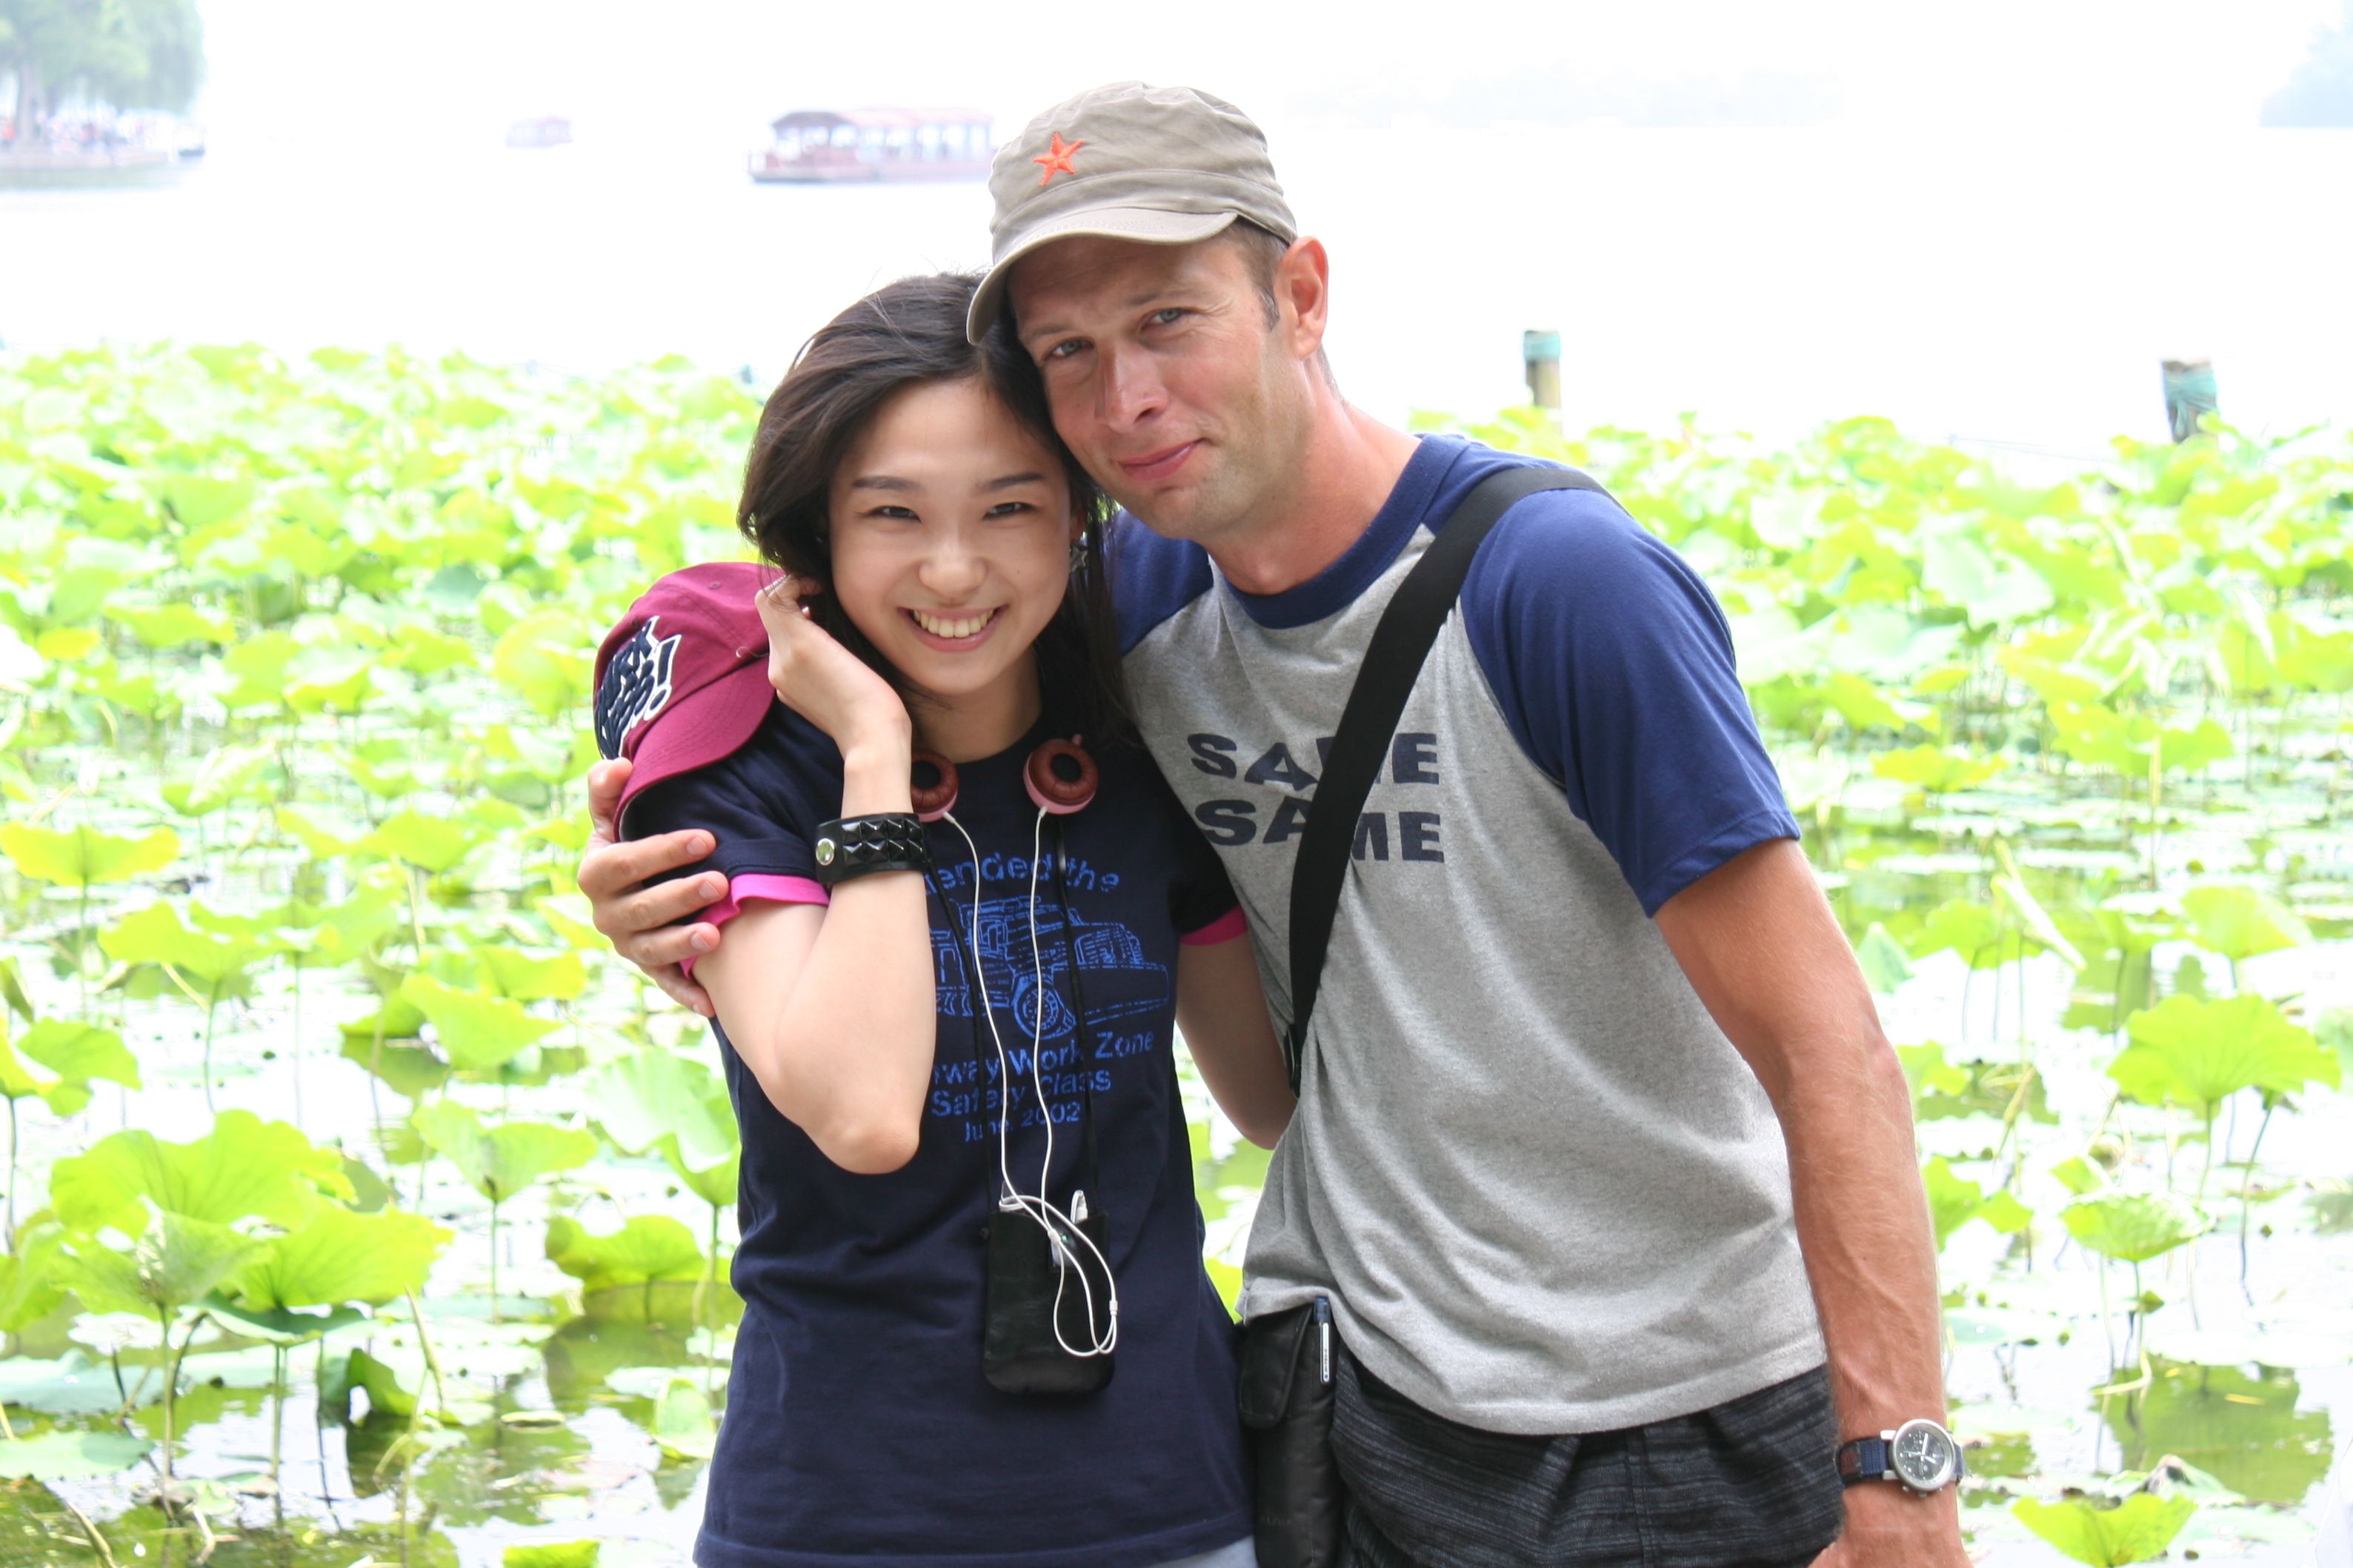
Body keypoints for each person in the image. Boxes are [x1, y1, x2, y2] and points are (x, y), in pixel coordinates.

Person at [585, 84, 1970, 1568]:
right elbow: (784, 611)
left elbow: (1828, 1048)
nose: (1126, 399)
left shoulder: (1556, 587)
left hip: (1659, 1408)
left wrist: (1899, 1479)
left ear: (1300, 296)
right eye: (1068, 351)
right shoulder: (1133, 623)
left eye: (1167, 320)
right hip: (1348, 1402)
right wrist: (671, 848)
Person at [589, 272, 1292, 1568]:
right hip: (840, 1514)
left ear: (1079, 516)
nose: (955, 568)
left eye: (1010, 508)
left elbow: (1268, 1096)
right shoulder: (743, 771)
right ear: (817, 533)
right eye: (893, 514)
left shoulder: (1145, 738)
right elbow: (862, 1114)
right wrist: (871, 749)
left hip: (1169, 1502)